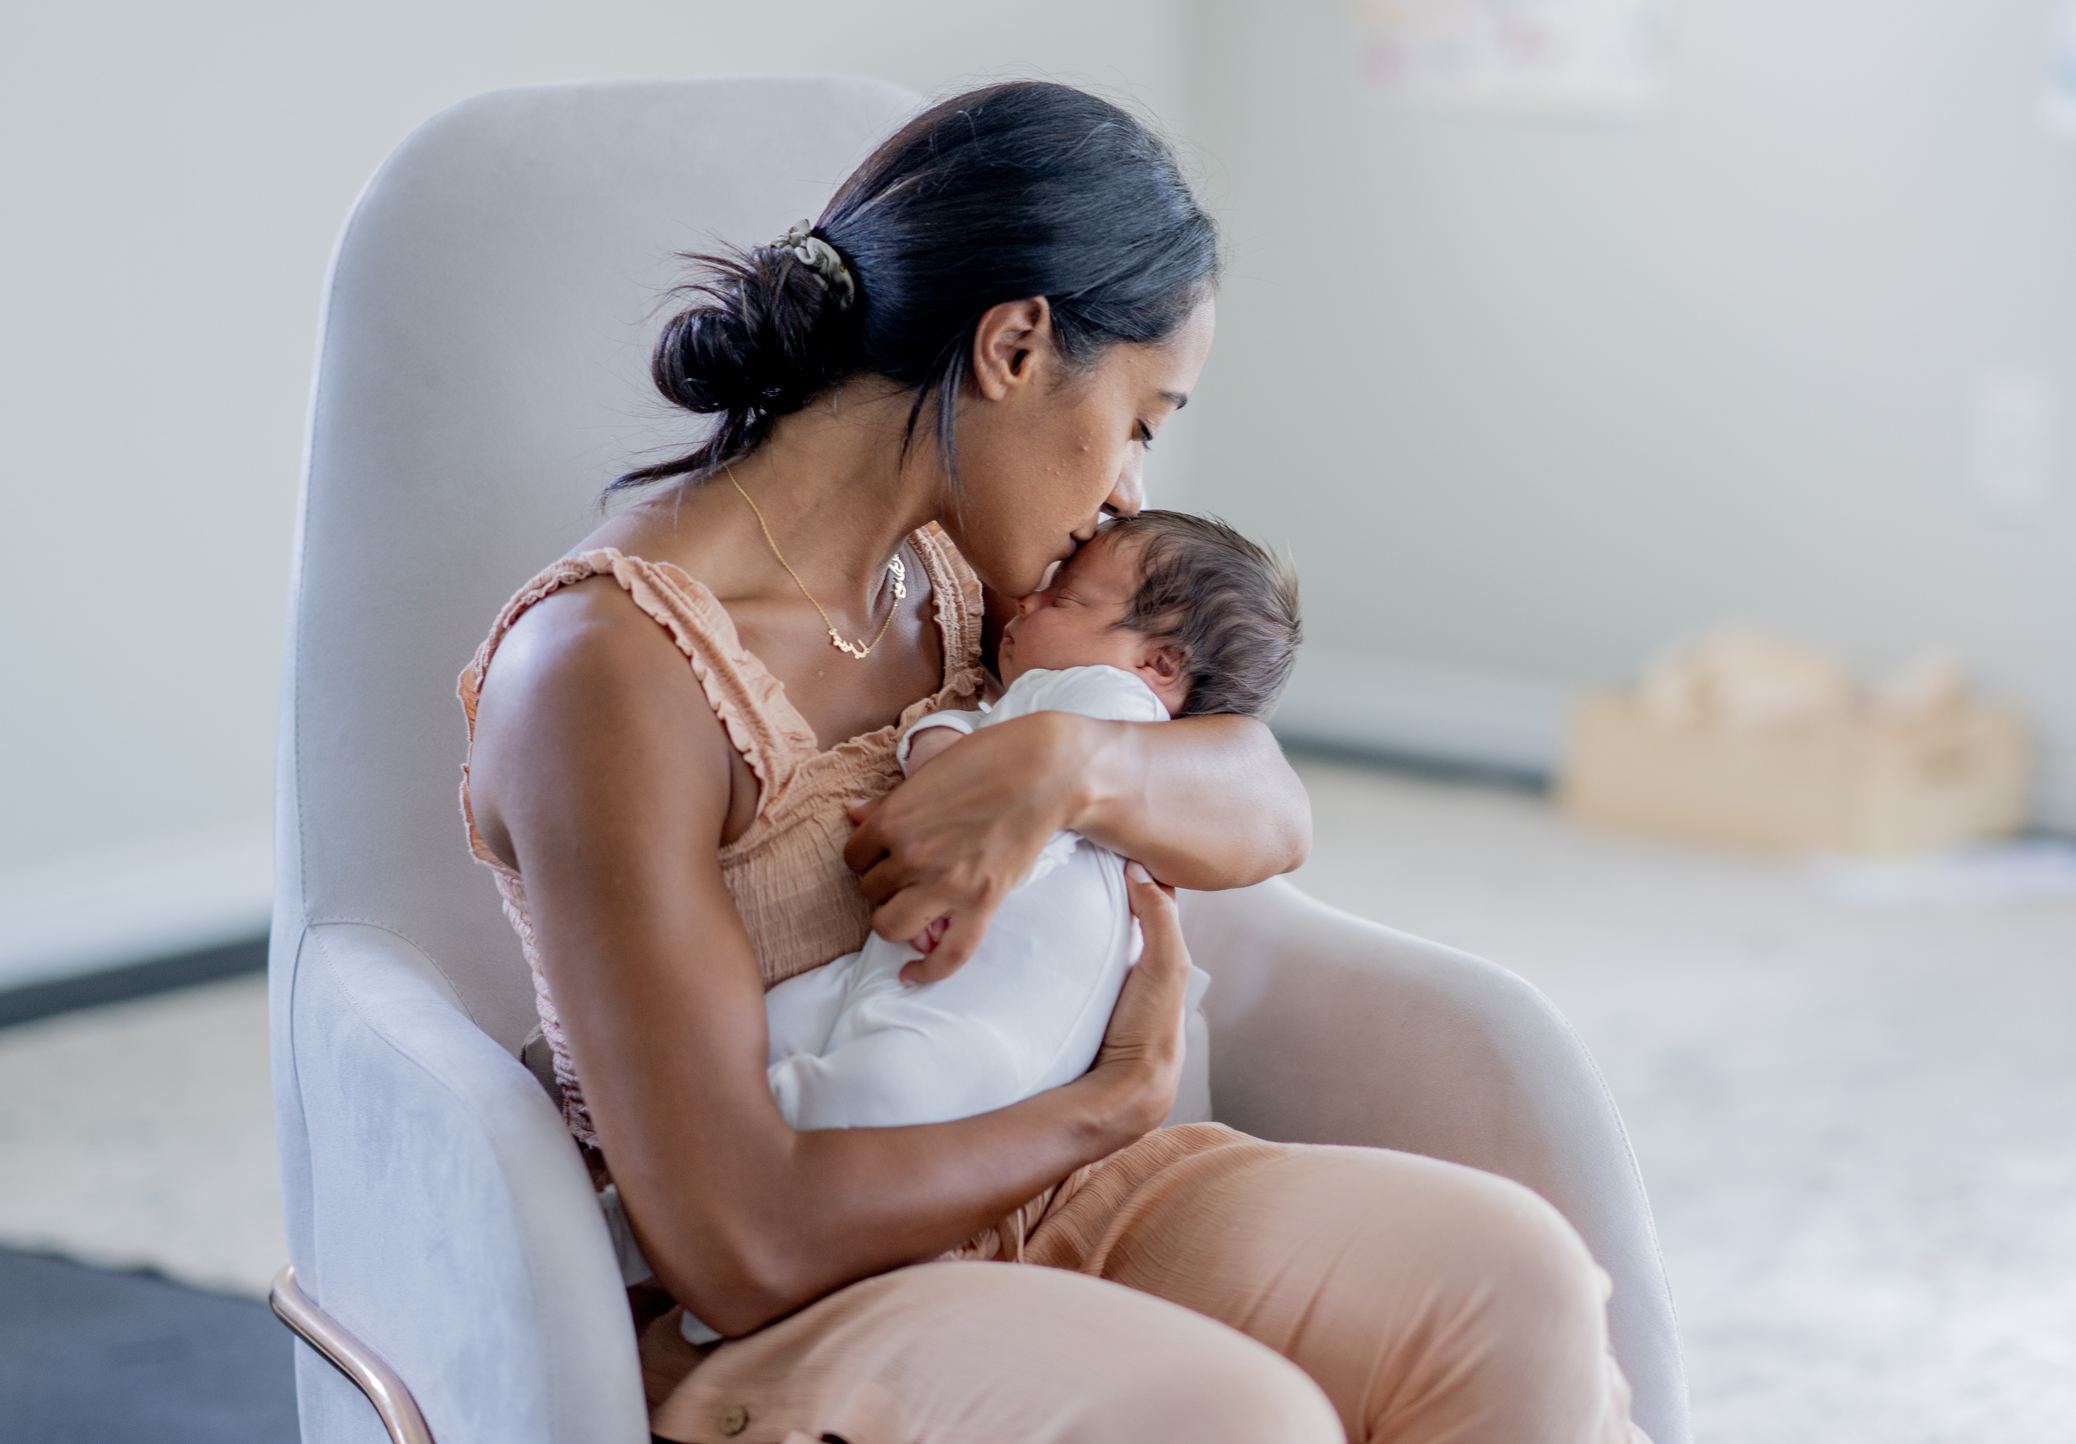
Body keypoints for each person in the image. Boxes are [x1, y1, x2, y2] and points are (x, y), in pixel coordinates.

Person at [460, 80, 1647, 1444]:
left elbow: (1265, 802)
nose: (1132, 490)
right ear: (1018, 345)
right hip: (819, 1302)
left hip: (1084, 1209)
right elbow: (737, 1242)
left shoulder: (973, 585)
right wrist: (1102, 1110)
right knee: (1233, 1418)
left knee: (1516, 1276)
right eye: (1141, 418)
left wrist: (1075, 768)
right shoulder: (610, 670)